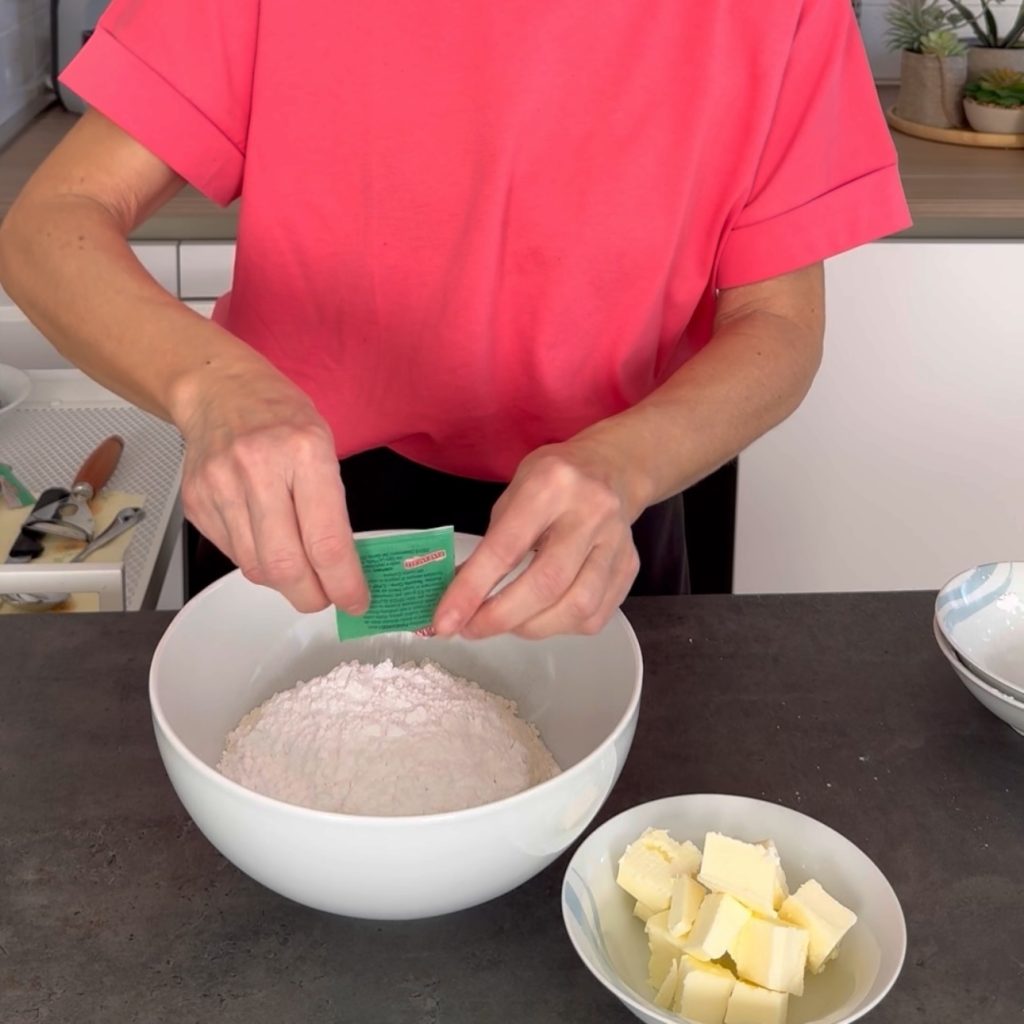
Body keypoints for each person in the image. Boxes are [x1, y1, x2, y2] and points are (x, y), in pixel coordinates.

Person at [0, 0, 911, 639]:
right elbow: (49, 227)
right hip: (294, 505)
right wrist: (216, 391)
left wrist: (626, 466)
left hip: (597, 514)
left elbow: (781, 322)